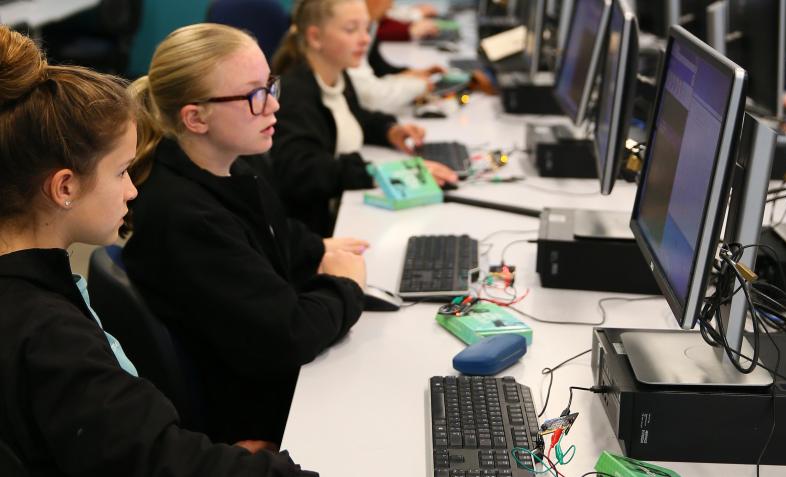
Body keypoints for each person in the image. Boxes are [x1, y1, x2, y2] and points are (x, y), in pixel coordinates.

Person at [0, 25, 316, 477]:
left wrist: (206, 455)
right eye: (122, 172)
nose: (132, 190)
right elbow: (155, 464)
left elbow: (136, 445)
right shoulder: (49, 336)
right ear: (65, 187)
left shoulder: (35, 294)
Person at [122, 23, 366, 447]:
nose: (273, 105)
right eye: (254, 95)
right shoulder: (185, 217)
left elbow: (274, 235)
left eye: (271, 85)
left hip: (264, 379)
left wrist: (319, 248)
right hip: (256, 417)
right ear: (195, 118)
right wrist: (346, 287)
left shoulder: (230, 167)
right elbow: (288, 335)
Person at [271, 0, 458, 236]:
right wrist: (376, 173)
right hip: (318, 231)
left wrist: (389, 130)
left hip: (343, 208)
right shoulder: (296, 95)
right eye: (351, 30)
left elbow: (353, 116)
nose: (365, 39)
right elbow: (303, 171)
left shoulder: (335, 75)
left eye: (366, 28)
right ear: (315, 37)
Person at [348, 0, 445, 114]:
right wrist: (419, 85)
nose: (391, 5)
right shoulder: (353, 39)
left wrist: (407, 73)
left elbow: (377, 67)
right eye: (349, 29)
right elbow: (369, 97)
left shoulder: (371, 24)